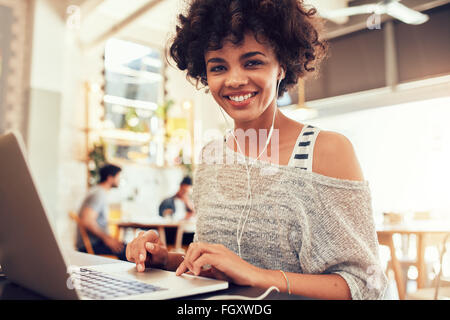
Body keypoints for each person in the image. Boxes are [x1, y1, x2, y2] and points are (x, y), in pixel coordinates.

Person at [126, 0, 387, 300]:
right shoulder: (212, 157)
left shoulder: (326, 150)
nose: (235, 79)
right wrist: (165, 260)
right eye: (218, 67)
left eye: (253, 62)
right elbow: (213, 269)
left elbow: (367, 285)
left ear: (282, 65)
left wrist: (256, 276)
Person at [76, 164, 127, 261]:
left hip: (96, 243)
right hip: (92, 245)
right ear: (110, 178)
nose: (120, 180)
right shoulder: (99, 194)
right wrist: (107, 239)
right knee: (130, 252)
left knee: (129, 248)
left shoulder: (98, 191)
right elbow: (87, 221)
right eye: (118, 176)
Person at [158, 176, 196, 246]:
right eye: (184, 191)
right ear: (180, 187)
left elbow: (195, 215)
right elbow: (166, 217)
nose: (184, 194)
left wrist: (188, 204)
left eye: (187, 192)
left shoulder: (188, 203)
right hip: (172, 233)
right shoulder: (168, 202)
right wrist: (185, 216)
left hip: (187, 233)